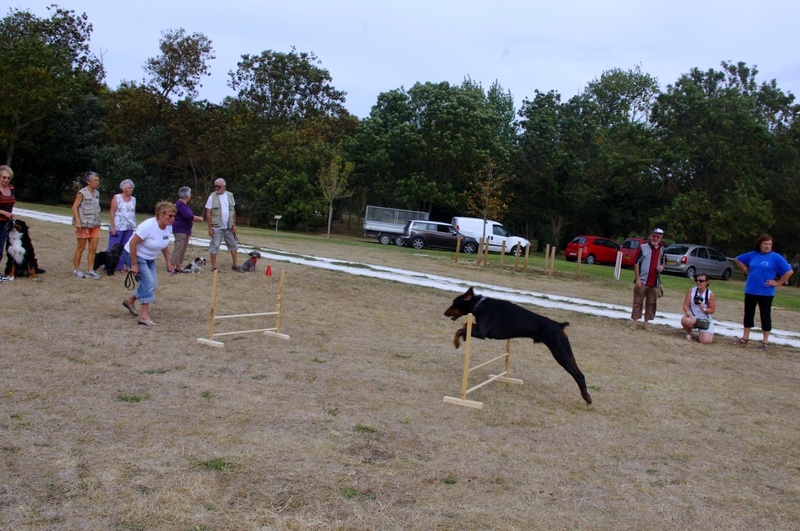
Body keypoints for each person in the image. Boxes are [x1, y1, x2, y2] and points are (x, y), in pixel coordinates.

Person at [733, 235, 794, 350]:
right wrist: (745, 269)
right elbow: (737, 259)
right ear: (760, 244)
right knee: (748, 314)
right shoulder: (753, 255)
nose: (767, 246)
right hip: (751, 290)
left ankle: (765, 341)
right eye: (765, 244)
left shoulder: (776, 257)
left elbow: (789, 271)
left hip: (766, 292)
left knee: (765, 316)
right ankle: (745, 337)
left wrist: (778, 282)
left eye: (769, 244)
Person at [122, 201, 177, 326]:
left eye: (174, 216)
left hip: (149, 258)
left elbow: (164, 244)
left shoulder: (168, 227)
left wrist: (168, 261)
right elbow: (132, 244)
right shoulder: (148, 226)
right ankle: (144, 317)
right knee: (147, 283)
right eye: (170, 216)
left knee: (153, 285)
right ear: (160, 215)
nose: (172, 218)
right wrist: (134, 264)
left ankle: (130, 301)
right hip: (135, 255)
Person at [630, 228, 666, 330]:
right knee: (638, 301)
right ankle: (634, 322)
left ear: (661, 238)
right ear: (650, 236)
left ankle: (646, 323)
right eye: (654, 236)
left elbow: (664, 263)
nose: (655, 238)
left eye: (658, 237)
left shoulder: (662, 250)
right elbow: (636, 263)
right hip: (643, 280)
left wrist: (661, 268)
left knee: (651, 303)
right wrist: (638, 278)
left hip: (654, 282)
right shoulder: (643, 248)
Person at [71, 171, 102, 279]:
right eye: (95, 180)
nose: (97, 182)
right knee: (81, 247)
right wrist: (78, 221)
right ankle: (76, 269)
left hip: (94, 224)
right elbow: (74, 207)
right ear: (88, 181)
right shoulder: (82, 193)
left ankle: (90, 270)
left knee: (93, 248)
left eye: (98, 180)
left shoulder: (97, 193)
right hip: (84, 224)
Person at [205, 178, 239, 271]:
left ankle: (235, 264)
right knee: (215, 245)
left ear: (224, 186)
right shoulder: (212, 197)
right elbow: (208, 213)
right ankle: (213, 266)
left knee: (233, 245)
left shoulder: (230, 196)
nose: (216, 188)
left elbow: (233, 211)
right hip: (216, 226)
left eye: (218, 186)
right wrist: (210, 228)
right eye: (215, 186)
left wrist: (234, 225)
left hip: (229, 226)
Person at [105, 179, 137, 272]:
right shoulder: (117, 197)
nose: (130, 189)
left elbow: (133, 212)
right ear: (123, 189)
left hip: (129, 226)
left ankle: (120, 266)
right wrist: (113, 226)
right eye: (128, 188)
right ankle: (109, 265)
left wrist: (134, 226)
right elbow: (112, 211)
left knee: (125, 246)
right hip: (118, 225)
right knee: (114, 246)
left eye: (131, 188)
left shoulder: (134, 199)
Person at [170, 186, 203, 269]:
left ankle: (178, 267)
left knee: (182, 249)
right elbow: (188, 216)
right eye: (190, 194)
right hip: (180, 229)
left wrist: (189, 229)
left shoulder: (184, 205)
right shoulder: (180, 204)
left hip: (185, 230)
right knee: (178, 249)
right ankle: (171, 266)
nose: (190, 195)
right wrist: (198, 218)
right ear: (187, 195)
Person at [680, 274, 716, 344]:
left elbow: (712, 310)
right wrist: (687, 312)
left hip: (705, 319)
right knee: (685, 320)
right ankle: (689, 333)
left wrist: (704, 308)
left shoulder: (710, 294)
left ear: (707, 282)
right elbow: (685, 305)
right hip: (693, 317)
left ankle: (702, 333)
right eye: (696, 280)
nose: (698, 282)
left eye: (701, 281)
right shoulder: (691, 291)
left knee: (706, 341)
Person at [0, 165, 15, 282]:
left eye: (8, 178)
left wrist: (9, 215)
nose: (6, 180)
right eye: (4, 177)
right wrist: (4, 212)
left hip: (5, 224)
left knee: (1, 249)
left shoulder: (11, 188)